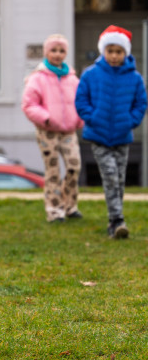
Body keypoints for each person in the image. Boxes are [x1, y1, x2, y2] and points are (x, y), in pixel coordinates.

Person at [75, 24, 147, 239]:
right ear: (103, 51)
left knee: (120, 179)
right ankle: (117, 220)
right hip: (98, 136)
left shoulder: (134, 78)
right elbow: (81, 100)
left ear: (125, 52)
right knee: (110, 177)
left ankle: (114, 219)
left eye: (119, 51)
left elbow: (140, 103)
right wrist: (93, 117)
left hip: (123, 136)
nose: (114, 56)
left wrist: (130, 121)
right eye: (110, 51)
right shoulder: (90, 74)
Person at [21, 34, 83, 223]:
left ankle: (70, 205)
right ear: (47, 52)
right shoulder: (37, 78)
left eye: (61, 50)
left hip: (68, 131)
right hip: (47, 130)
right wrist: (46, 119)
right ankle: (55, 209)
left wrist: (79, 120)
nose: (57, 54)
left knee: (74, 166)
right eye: (53, 50)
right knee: (53, 171)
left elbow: (81, 101)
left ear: (66, 53)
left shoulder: (72, 78)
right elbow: (29, 104)